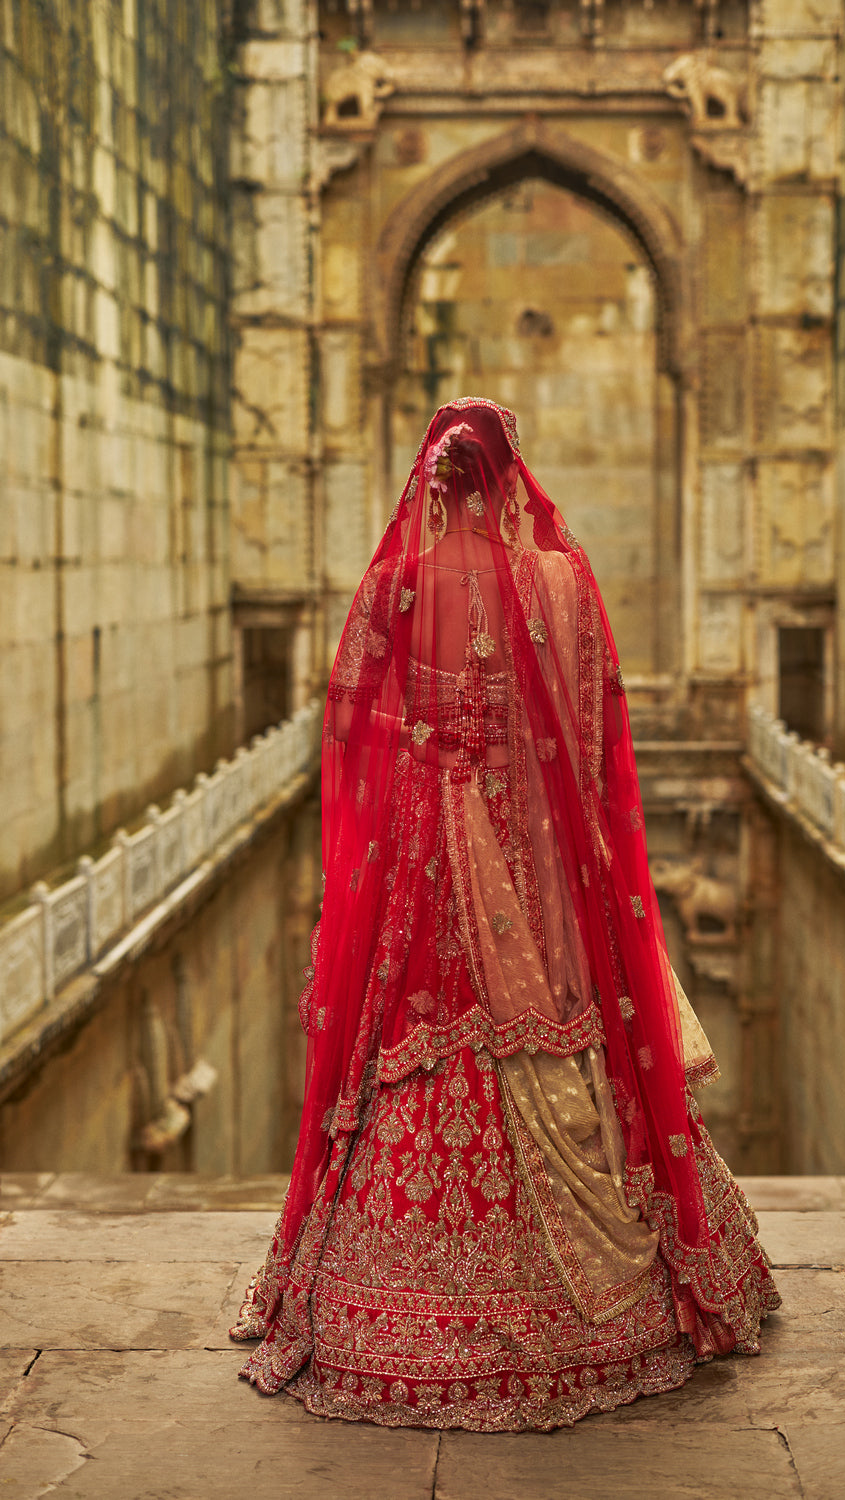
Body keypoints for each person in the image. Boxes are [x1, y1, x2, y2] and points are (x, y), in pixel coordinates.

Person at [230, 396, 779, 1431]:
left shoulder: (397, 582)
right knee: (562, 1036)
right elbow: (587, 735)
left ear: (435, 482)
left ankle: (377, 1299)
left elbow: (348, 722)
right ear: (508, 475)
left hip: (424, 860)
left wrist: (433, 759)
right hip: (540, 872)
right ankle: (628, 1294)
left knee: (411, 1041)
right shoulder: (564, 584)